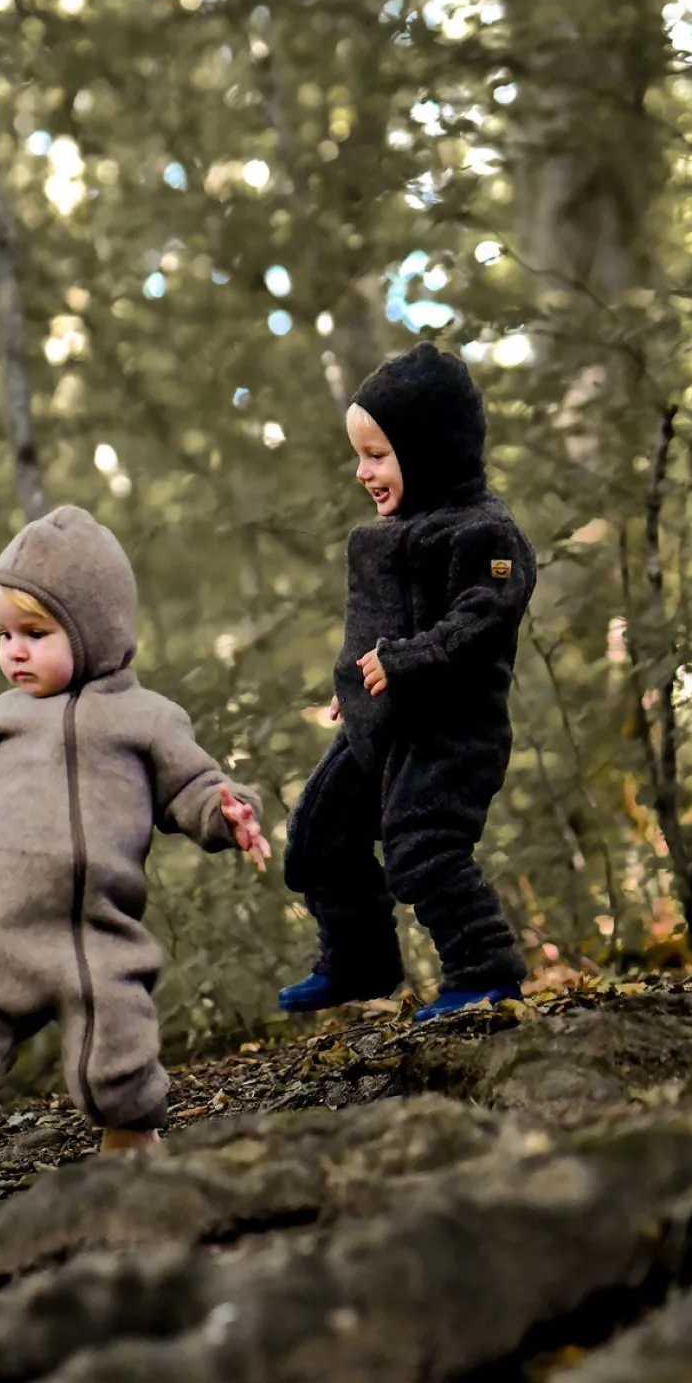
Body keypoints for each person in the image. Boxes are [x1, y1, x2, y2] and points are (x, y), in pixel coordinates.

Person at [0, 505, 269, 1243]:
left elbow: (194, 788)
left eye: (35, 634)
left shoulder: (146, 717)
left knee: (121, 1067)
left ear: (96, 628)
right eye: (4, 635)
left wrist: (228, 811)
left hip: (94, 937)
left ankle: (133, 1170)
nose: (14, 652)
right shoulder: (2, 718)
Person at [279, 341, 535, 1024]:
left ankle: (485, 971)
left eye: (378, 454)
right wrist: (356, 682)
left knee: (422, 846)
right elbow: (373, 626)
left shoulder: (485, 535)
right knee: (318, 834)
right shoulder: (384, 536)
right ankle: (359, 959)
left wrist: (405, 660)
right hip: (382, 721)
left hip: (450, 731)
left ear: (429, 450)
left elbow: (483, 616)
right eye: (360, 455)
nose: (363, 471)